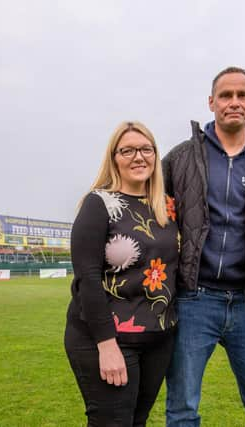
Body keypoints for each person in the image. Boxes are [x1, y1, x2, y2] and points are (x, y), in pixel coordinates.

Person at [162, 67, 245, 426]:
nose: (233, 102)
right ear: (211, 102)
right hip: (193, 301)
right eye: (225, 95)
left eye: (242, 95)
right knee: (181, 408)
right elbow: (155, 214)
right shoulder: (180, 158)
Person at [65, 121, 179, 426]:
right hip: (108, 339)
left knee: (137, 422)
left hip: (158, 339)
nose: (138, 157)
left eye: (146, 149)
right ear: (114, 157)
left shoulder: (167, 207)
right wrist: (106, 345)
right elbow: (86, 279)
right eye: (127, 150)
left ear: (155, 155)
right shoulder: (98, 204)